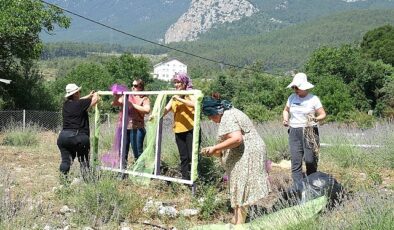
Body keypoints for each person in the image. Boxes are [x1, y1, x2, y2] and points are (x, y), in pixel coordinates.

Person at [201, 94, 270, 225]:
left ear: (216, 112)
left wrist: (215, 147)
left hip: (248, 153)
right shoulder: (231, 112)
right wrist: (215, 150)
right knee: (239, 186)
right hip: (250, 151)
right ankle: (237, 219)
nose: (210, 119)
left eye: (210, 115)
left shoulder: (227, 116)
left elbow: (237, 139)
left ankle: (239, 223)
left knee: (241, 186)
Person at [282, 72, 326, 184]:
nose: (295, 89)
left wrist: (316, 119)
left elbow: (322, 114)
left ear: (304, 87)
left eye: (297, 87)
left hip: (309, 131)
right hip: (294, 131)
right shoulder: (292, 98)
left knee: (310, 160)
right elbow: (286, 110)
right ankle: (298, 188)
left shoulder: (313, 99)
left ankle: (312, 183)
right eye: (293, 87)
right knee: (296, 162)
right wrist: (286, 119)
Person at [57, 83, 99, 182]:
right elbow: (95, 100)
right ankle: (88, 182)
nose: (80, 93)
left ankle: (63, 182)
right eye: (79, 92)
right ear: (75, 94)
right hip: (78, 136)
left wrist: (88, 96)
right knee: (84, 161)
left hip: (63, 137)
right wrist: (96, 94)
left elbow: (80, 101)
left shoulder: (66, 104)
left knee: (66, 161)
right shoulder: (80, 104)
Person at [163, 73, 196, 180]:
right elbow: (166, 110)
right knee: (184, 157)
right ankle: (185, 180)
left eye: (179, 82)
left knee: (193, 156)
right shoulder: (174, 97)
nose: (176, 85)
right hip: (178, 130)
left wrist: (180, 98)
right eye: (175, 82)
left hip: (191, 130)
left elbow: (195, 104)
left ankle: (194, 180)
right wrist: (156, 114)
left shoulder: (190, 93)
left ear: (185, 83)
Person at [112, 79, 151, 169]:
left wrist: (132, 105)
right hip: (125, 127)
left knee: (137, 151)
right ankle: (122, 171)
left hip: (137, 128)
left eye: (136, 85)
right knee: (122, 150)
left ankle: (140, 171)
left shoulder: (144, 98)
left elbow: (147, 110)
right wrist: (116, 96)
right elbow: (115, 103)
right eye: (132, 85)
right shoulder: (127, 95)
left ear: (141, 87)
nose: (133, 87)